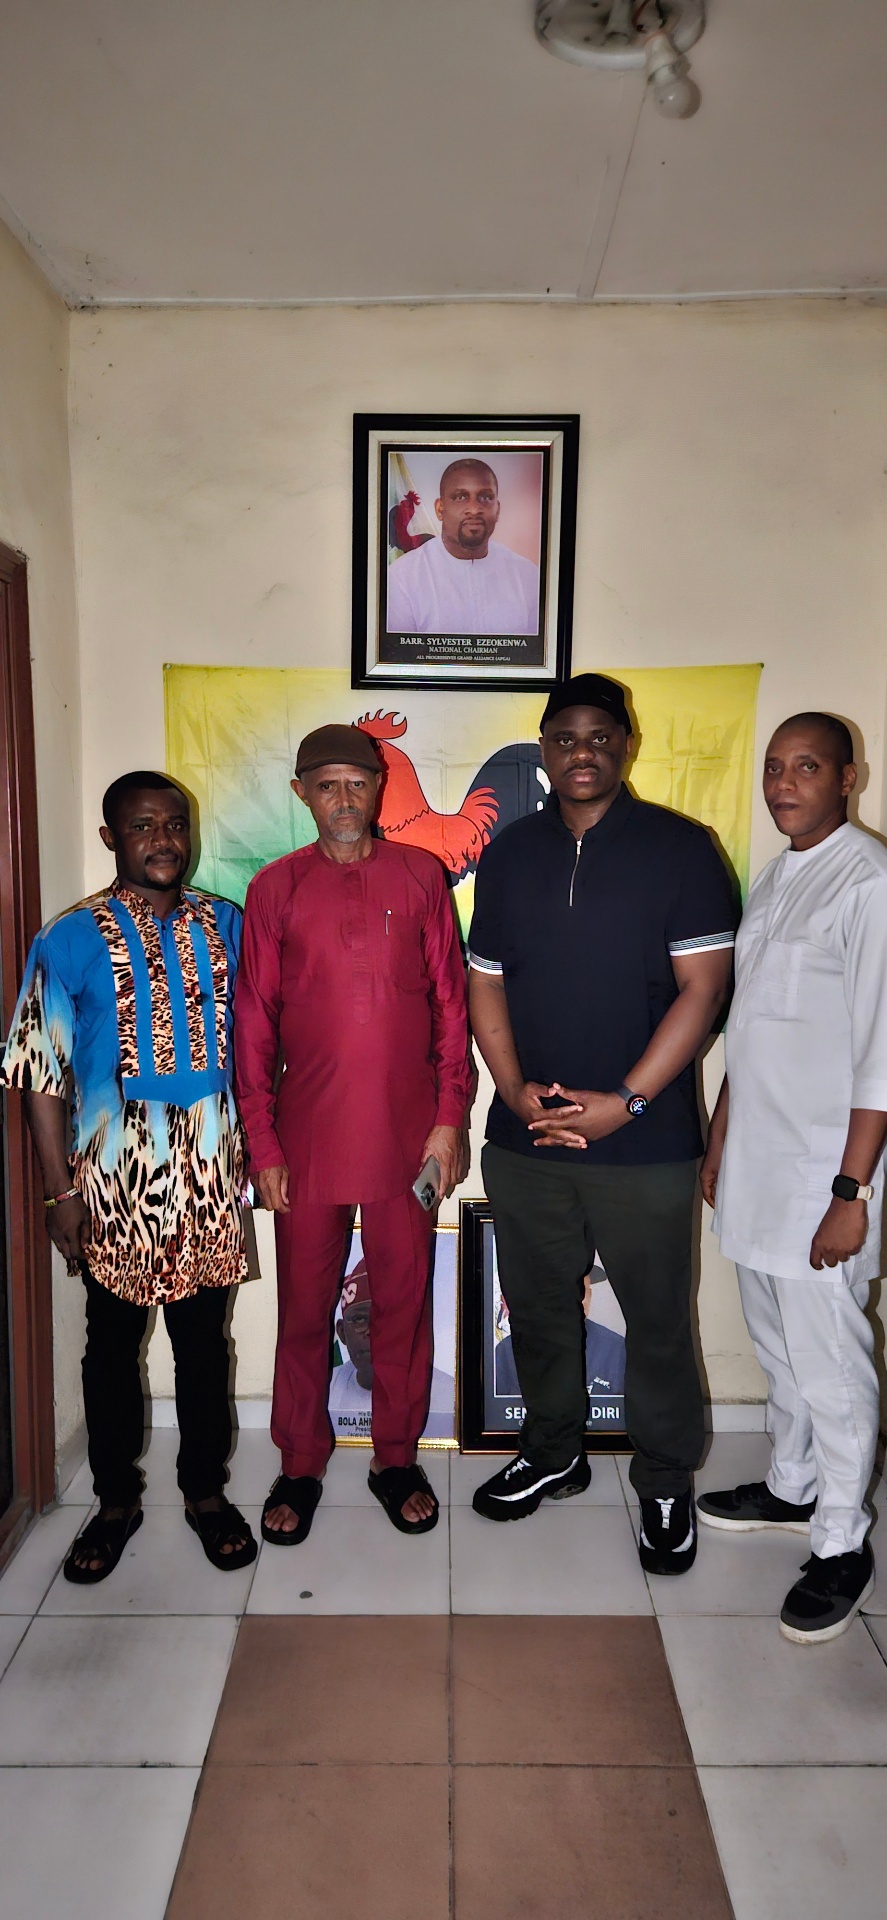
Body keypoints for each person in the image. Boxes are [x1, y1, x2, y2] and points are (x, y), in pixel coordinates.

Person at [467, 673, 736, 1573]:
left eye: (599, 735)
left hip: (646, 1145)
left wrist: (627, 1104)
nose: (582, 751)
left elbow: (703, 991)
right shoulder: (509, 853)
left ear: (625, 743)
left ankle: (663, 1480)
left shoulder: (680, 849)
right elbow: (486, 979)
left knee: (658, 1320)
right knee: (540, 1310)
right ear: (543, 749)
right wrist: (508, 1090)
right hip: (528, 1138)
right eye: (564, 737)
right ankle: (552, 1453)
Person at [0, 772, 256, 1581]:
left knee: (203, 1347)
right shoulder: (69, 938)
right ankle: (114, 1503)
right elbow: (41, 1074)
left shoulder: (229, 925)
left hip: (212, 1179)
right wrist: (59, 1192)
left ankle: (205, 1495)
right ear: (112, 838)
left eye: (175, 824)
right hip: (112, 1184)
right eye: (143, 825)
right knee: (109, 1349)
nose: (164, 839)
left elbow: (263, 1043)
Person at [234, 723, 471, 1540]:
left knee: (402, 1303)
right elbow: (254, 1026)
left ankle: (395, 1457)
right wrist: (261, 1146)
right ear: (301, 792)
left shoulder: (420, 874)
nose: (344, 799)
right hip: (305, 1141)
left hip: (409, 1141)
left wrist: (447, 1123)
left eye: (358, 783)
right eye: (326, 784)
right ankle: (300, 1461)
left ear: (380, 790)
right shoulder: (275, 889)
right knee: (304, 1307)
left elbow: (451, 1007)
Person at [699, 713, 887, 1642]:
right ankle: (790, 1486)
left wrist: (849, 1197)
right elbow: (753, 1027)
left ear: (846, 777)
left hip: (824, 1176)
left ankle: (843, 1538)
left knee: (829, 1364)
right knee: (776, 1348)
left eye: (804, 767)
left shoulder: (868, 881)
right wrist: (720, 1134)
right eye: (773, 767)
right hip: (757, 1166)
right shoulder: (777, 877)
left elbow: (881, 1057)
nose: (782, 783)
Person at [385, 458, 540, 637]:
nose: (474, 509)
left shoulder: (527, 576)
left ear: (497, 509)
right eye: (460, 497)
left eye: (485, 497)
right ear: (440, 509)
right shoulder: (402, 578)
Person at [328, 1260, 454, 1424]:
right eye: (359, 1319)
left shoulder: (450, 1396)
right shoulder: (323, 1392)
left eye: (385, 1318)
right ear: (342, 1333)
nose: (373, 1330)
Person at [495, 1271, 626, 1399]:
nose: (577, 1299)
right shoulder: (508, 1350)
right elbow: (500, 1413)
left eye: (583, 1290)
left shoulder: (615, 1348)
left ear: (590, 1295)